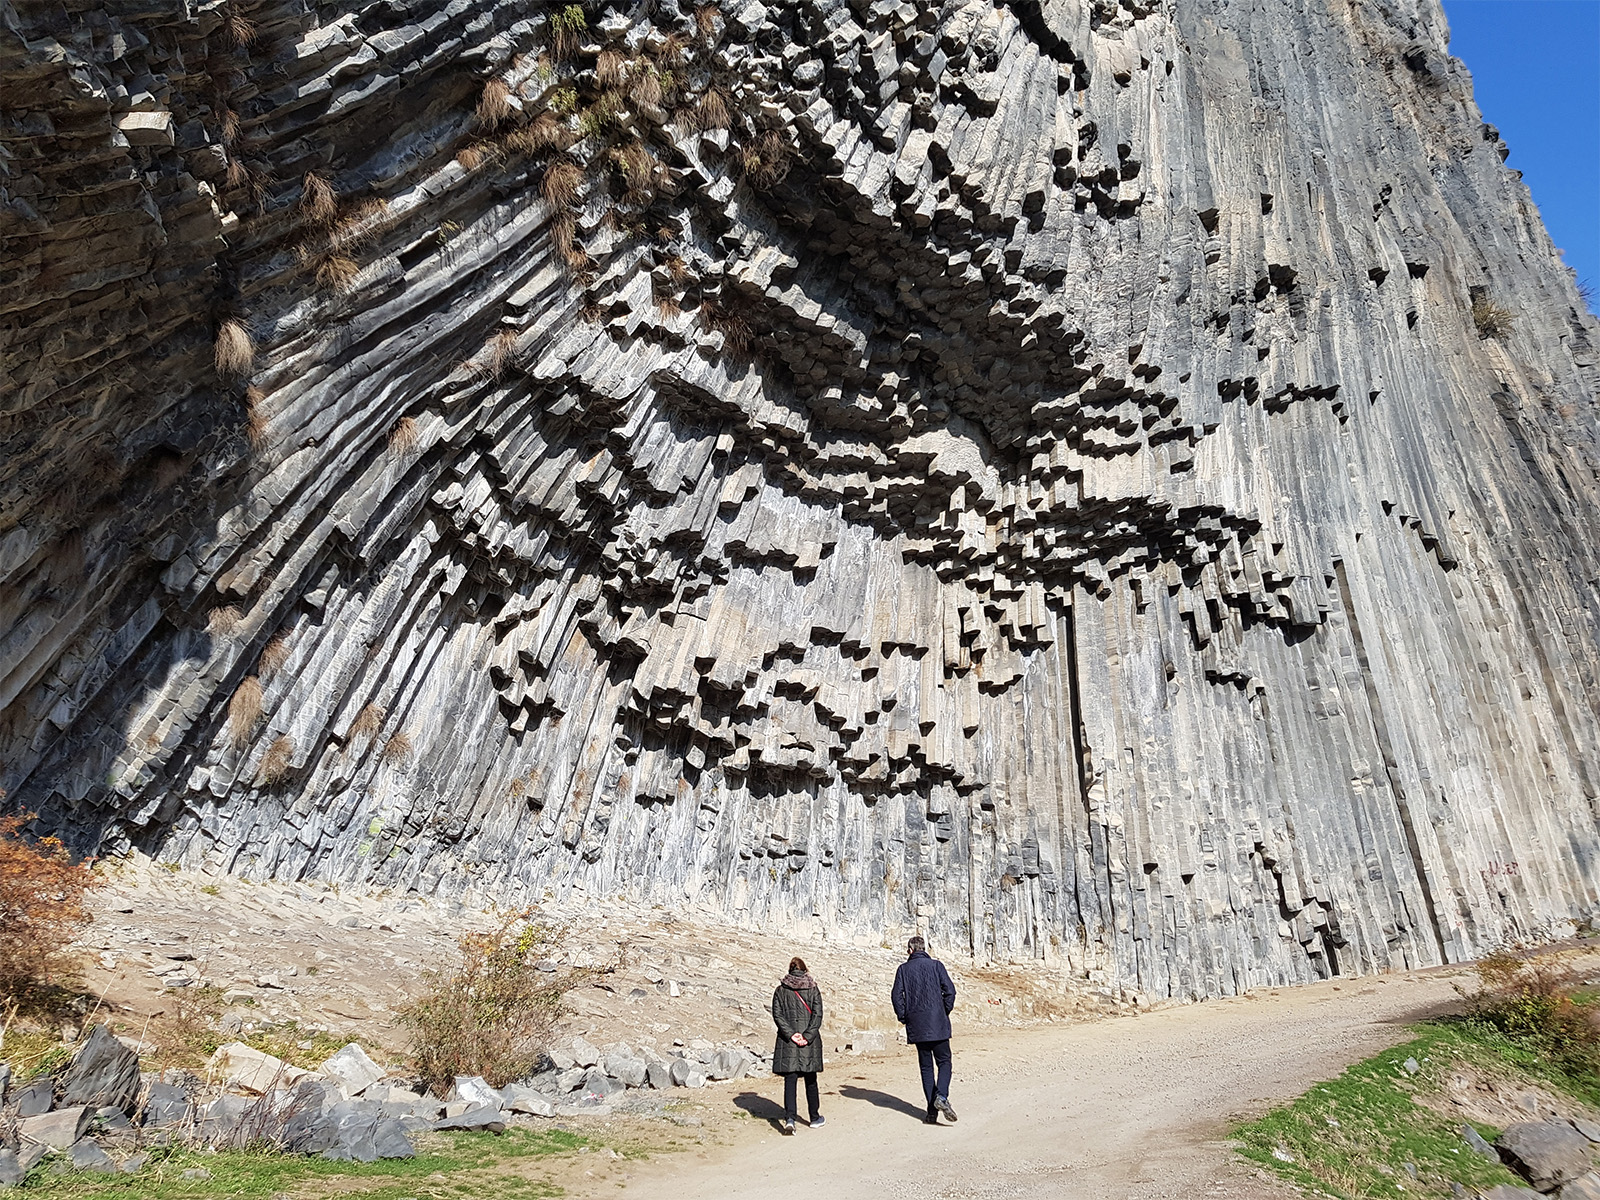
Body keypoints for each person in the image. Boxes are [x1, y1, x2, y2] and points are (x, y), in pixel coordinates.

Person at [890, 935, 957, 1124]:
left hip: (917, 1025)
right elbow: (950, 991)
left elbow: (896, 997)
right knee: (944, 1062)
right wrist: (944, 1011)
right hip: (938, 1023)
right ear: (924, 949)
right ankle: (941, 1096)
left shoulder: (903, 969)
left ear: (910, 950)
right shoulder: (937, 966)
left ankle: (931, 1113)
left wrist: (904, 1016)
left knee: (926, 1067)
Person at [771, 955, 825, 1133]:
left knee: (790, 1080)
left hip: (789, 1042)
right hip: (809, 1042)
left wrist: (792, 1034)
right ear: (805, 969)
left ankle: (790, 1119)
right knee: (811, 1080)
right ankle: (814, 1117)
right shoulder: (813, 988)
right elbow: (817, 1016)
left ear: (790, 969)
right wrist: (807, 1036)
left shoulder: (780, 990)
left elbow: (777, 1015)